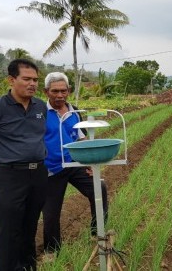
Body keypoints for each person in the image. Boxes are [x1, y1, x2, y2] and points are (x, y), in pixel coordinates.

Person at [0, 59, 48, 270]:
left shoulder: (40, 106)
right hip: (8, 177)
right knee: (8, 232)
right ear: (11, 80)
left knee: (29, 229)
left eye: (35, 79)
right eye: (26, 79)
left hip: (37, 175)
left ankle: (28, 267)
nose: (32, 83)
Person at [41, 72, 108, 260]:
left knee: (98, 188)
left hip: (74, 163)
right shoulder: (40, 113)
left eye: (63, 90)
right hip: (52, 167)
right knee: (51, 210)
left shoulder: (74, 111)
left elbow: (81, 137)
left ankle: (97, 232)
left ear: (69, 91)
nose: (60, 95)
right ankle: (52, 249)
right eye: (55, 91)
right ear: (46, 91)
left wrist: (88, 162)